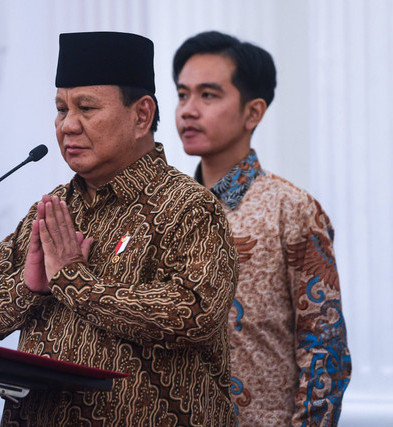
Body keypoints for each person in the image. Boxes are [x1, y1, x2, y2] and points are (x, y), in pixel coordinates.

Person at [0, 31, 238, 426]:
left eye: (86, 108)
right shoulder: (55, 208)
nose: (68, 125)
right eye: (60, 109)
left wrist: (75, 282)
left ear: (141, 115)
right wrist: (28, 287)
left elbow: (194, 315)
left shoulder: (190, 208)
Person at [172, 30, 352, 426]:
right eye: (182, 94)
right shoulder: (165, 210)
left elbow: (325, 351)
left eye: (208, 95)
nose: (188, 109)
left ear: (253, 112)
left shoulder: (291, 209)